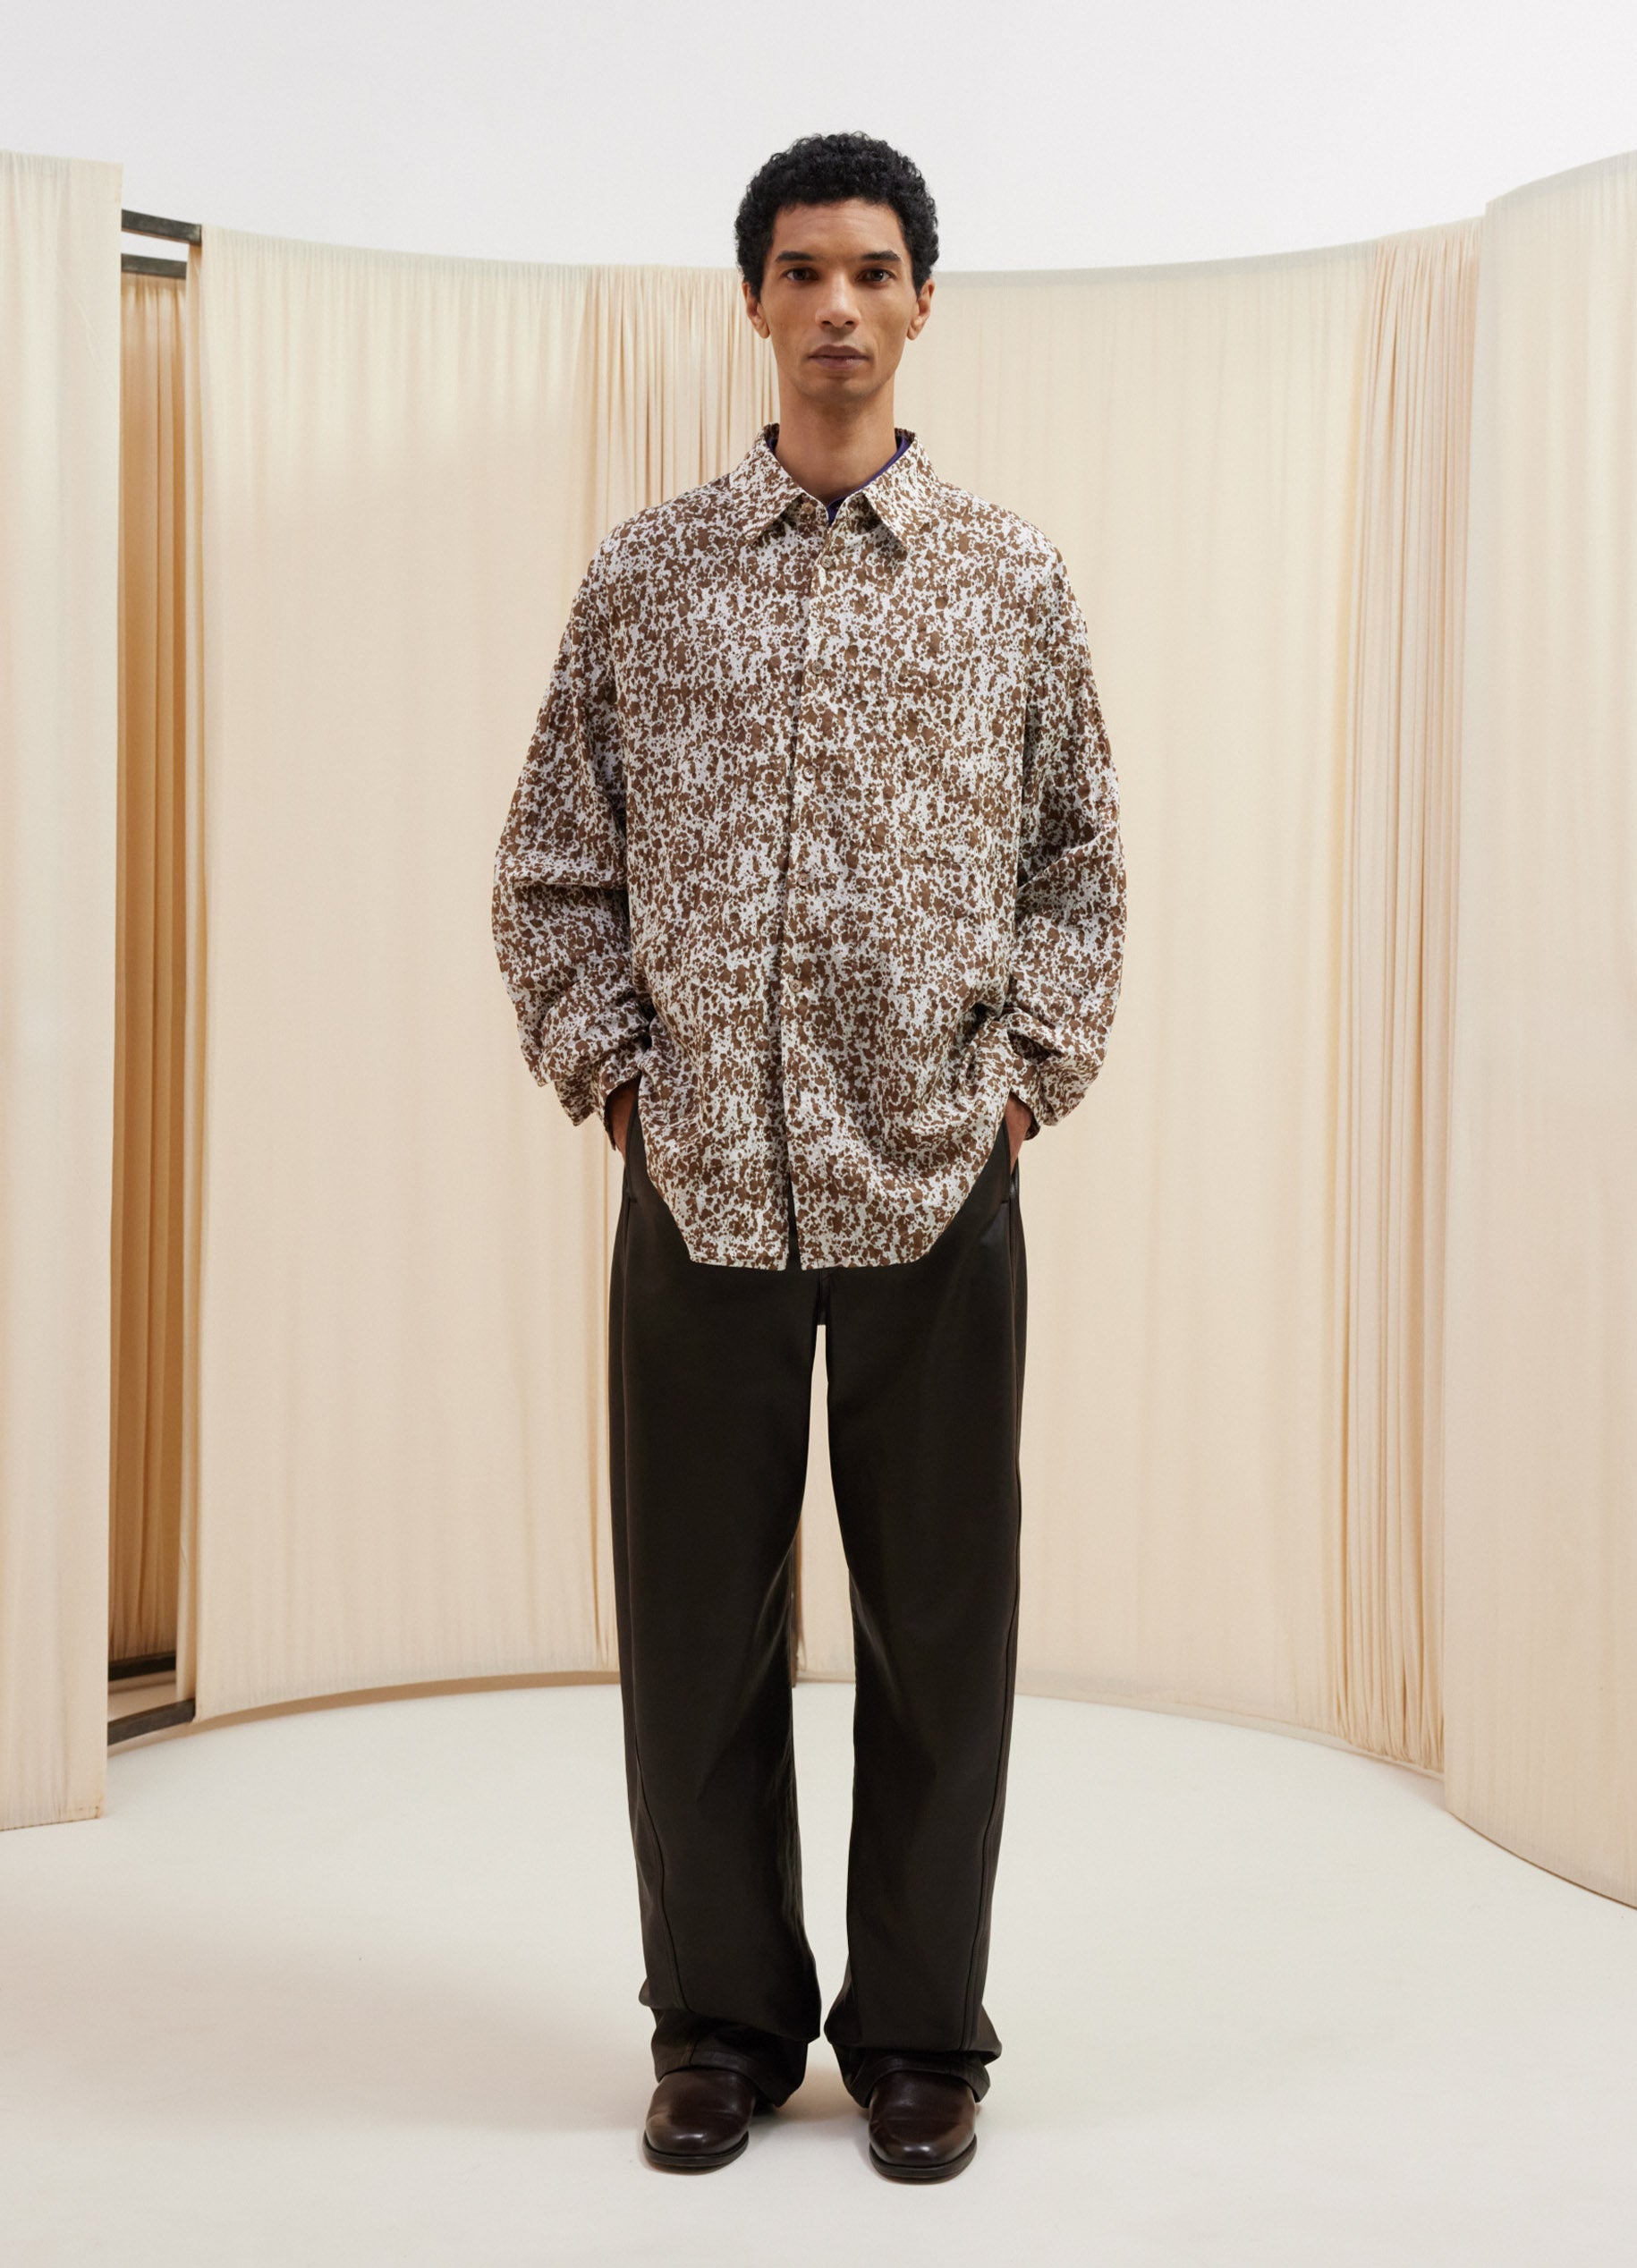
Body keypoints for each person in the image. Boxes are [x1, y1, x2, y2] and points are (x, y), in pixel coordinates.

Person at [492, 129, 1126, 2183]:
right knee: (694, 1629)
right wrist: (619, 1085)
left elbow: (1081, 866)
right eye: (801, 270)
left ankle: (924, 2036)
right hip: (701, 1188)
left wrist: (1018, 1086)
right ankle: (720, 2027)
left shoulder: (1009, 577)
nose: (837, 304)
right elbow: (552, 860)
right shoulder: (648, 575)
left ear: (923, 302)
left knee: (942, 1632)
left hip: (939, 1179)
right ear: (755, 302)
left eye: (871, 269)